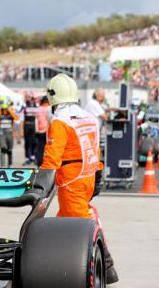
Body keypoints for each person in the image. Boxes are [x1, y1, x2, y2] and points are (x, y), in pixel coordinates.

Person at [40, 74, 118, 284]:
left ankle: (106, 266)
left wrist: (39, 183)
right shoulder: (88, 118)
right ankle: (59, 266)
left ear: (53, 97)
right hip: (88, 177)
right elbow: (96, 148)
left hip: (71, 181)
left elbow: (52, 158)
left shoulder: (60, 122)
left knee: (81, 228)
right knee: (64, 222)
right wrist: (98, 174)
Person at [0, 95, 19, 167]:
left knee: (9, 150)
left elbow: (16, 119)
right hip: (2, 134)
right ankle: (2, 166)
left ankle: (10, 164)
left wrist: (9, 110)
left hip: (10, 133)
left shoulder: (12, 111)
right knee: (3, 149)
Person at [19, 93, 39, 165]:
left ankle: (33, 157)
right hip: (26, 125)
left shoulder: (36, 106)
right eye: (30, 98)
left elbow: (39, 117)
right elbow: (21, 118)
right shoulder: (24, 106)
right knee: (27, 142)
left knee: (34, 142)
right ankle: (27, 158)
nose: (31, 100)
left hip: (33, 125)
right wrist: (21, 129)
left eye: (32, 98)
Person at [34, 95, 51, 166]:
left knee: (40, 148)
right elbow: (50, 120)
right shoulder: (49, 109)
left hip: (39, 131)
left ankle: (39, 163)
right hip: (47, 131)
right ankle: (47, 163)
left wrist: (36, 130)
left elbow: (36, 121)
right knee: (49, 149)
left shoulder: (38, 109)